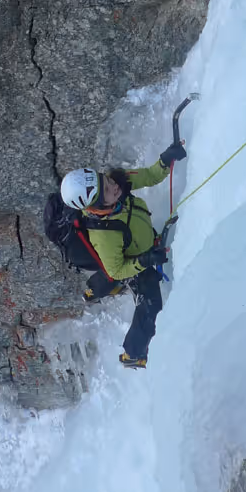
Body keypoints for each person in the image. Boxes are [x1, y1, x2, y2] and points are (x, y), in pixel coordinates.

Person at [60, 142, 187, 369]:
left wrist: (165, 161)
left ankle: (94, 291)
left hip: (137, 247)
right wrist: (145, 261)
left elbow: (149, 175)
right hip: (135, 262)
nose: (114, 187)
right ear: (96, 207)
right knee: (150, 304)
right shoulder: (103, 234)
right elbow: (117, 270)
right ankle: (133, 353)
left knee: (111, 273)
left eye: (107, 182)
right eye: (108, 191)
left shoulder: (116, 181)